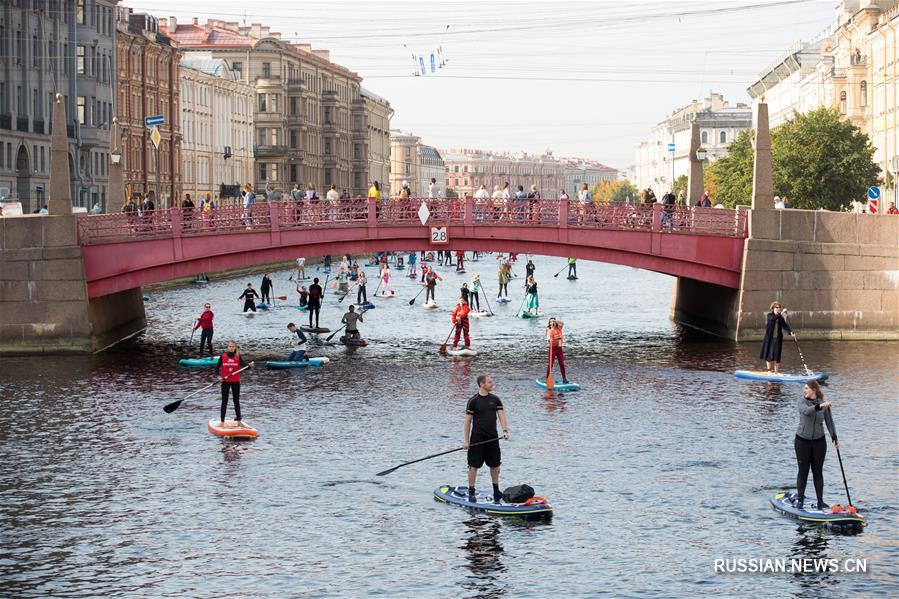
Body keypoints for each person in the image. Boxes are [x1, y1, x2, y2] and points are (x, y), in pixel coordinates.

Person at [463, 375, 510, 502]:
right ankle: (471, 491)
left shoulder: (495, 400)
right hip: (477, 439)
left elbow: (501, 416)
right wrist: (466, 441)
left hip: (492, 438)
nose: (492, 384)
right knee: (473, 466)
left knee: (495, 466)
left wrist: (505, 430)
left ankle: (496, 491)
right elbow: (467, 421)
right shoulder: (473, 401)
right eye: (489, 382)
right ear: (482, 384)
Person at [793, 381, 838, 510]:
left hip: (819, 442)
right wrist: (821, 405)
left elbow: (829, 422)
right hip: (802, 441)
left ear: (814, 390)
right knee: (803, 471)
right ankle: (800, 500)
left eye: (806, 388)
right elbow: (807, 412)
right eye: (804, 388)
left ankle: (820, 501)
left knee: (817, 471)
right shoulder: (802, 402)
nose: (804, 391)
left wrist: (834, 437)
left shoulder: (822, 403)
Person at [216, 341, 254, 425]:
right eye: (230, 346)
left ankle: (239, 420)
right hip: (225, 382)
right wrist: (218, 376)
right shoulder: (223, 356)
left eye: (233, 346)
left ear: (235, 348)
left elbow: (245, 367)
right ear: (227, 347)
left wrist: (250, 366)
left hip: (235, 382)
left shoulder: (238, 357)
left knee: (236, 401)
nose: (231, 348)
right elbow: (216, 368)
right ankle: (222, 421)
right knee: (224, 401)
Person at [759, 301, 794, 373]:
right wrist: (782, 313)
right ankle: (769, 371)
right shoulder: (769, 315)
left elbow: (785, 325)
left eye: (779, 307)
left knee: (777, 355)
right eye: (776, 307)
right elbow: (773, 319)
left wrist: (790, 332)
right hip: (769, 339)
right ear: (773, 308)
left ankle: (776, 372)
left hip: (778, 339)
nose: (778, 309)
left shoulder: (780, 317)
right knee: (769, 354)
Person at [546, 317, 569, 384]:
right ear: (549, 324)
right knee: (550, 365)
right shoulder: (549, 330)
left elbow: (562, 323)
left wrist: (554, 320)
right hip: (552, 348)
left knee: (562, 364)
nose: (552, 323)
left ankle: (564, 379)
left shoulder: (559, 328)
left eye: (553, 322)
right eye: (550, 322)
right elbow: (548, 339)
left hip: (559, 349)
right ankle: (547, 379)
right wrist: (550, 340)